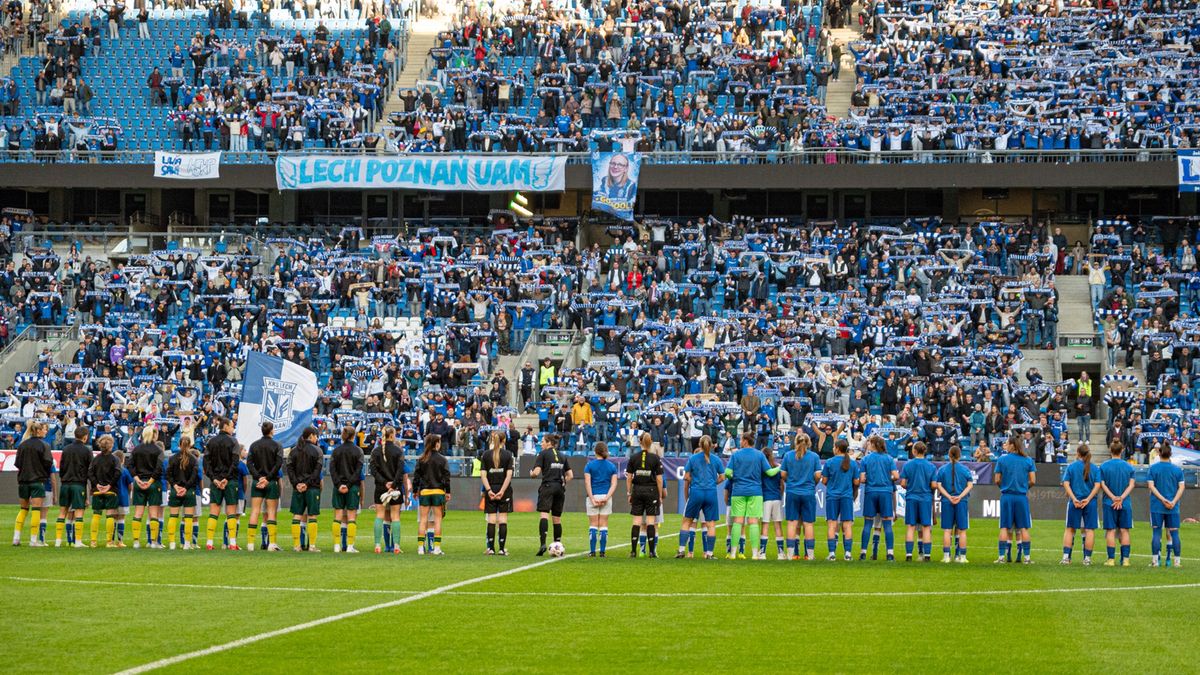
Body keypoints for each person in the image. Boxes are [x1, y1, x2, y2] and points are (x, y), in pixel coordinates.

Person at [724, 431, 782, 560]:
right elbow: (770, 472)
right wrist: (780, 467)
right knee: (753, 522)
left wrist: (734, 477)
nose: (740, 442)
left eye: (741, 439)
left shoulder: (736, 454)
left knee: (737, 521)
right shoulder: (759, 455)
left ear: (745, 441)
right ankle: (755, 554)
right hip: (755, 492)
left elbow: (727, 472)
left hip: (738, 491)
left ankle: (733, 553)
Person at [679, 435, 724, 559]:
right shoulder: (716, 459)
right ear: (712, 445)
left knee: (687, 521)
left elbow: (686, 476)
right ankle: (709, 553)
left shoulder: (693, 458)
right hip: (711, 493)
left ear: (699, 444)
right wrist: (712, 483)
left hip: (696, 492)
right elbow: (722, 477)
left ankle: (681, 551)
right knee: (710, 524)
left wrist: (696, 481)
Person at [994, 437, 1036, 564]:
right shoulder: (1028, 460)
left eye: (1007, 444)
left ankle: (1001, 557)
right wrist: (1023, 488)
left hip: (1006, 496)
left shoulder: (1002, 460)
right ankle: (1027, 558)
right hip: (1021, 497)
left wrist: (1004, 487)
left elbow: (997, 479)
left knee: (1004, 527)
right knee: (1024, 528)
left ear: (1012, 445)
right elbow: (1033, 480)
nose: (1005, 446)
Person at [370, 426, 410, 554]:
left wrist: (384, 483)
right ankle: (396, 546)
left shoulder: (375, 451)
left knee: (380, 515)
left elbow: (373, 471)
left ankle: (377, 545)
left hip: (380, 488)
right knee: (395, 516)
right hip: (395, 488)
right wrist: (393, 484)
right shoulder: (398, 451)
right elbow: (400, 471)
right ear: (392, 435)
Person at [781, 433, 821, 560]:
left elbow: (783, 474)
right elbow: (818, 475)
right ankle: (810, 555)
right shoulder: (814, 457)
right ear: (809, 443)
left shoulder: (788, 455)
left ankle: (790, 554)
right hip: (808, 492)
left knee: (792, 523)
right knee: (808, 524)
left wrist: (790, 482)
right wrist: (812, 484)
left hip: (792, 492)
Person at [530, 433, 572, 556]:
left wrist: (531, 473)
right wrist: (563, 482)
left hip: (547, 486)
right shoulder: (562, 455)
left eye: (543, 441)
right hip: (560, 488)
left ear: (549, 443)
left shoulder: (543, 454)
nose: (541, 443)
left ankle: (543, 544)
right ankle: (557, 544)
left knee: (544, 514)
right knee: (557, 518)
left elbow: (536, 472)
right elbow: (570, 475)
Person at [1061, 443, 1102, 565]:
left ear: (1078, 453)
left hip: (1075, 502)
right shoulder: (1095, 468)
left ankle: (1066, 558)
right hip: (1090, 503)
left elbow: (1066, 483)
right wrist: (1088, 499)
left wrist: (1074, 498)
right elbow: (1097, 485)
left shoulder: (1072, 467)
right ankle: (1087, 559)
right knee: (1089, 530)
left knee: (1070, 529)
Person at [859, 435, 899, 561]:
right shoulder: (889, 458)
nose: (868, 445)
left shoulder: (865, 459)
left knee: (868, 523)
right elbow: (896, 476)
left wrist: (871, 479)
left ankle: (863, 553)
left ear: (874, 444)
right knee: (887, 524)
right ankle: (890, 554)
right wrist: (887, 478)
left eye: (870, 443)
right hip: (885, 492)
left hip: (871, 492)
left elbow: (862, 479)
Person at [203, 416, 241, 550]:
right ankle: (232, 543)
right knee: (231, 512)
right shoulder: (234, 441)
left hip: (215, 481)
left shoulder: (211, 442)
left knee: (214, 511)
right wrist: (226, 478)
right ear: (225, 426)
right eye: (232, 426)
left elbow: (206, 463)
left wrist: (214, 479)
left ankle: (209, 542)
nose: (233, 428)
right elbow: (235, 463)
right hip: (230, 481)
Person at [13, 421, 52, 547]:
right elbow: (48, 463)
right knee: (36, 510)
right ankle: (33, 540)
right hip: (37, 481)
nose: (45, 432)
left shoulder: (22, 445)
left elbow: (17, 463)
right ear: (38, 431)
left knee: (23, 509)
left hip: (23, 480)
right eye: (43, 430)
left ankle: (16, 538)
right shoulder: (44, 445)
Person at [246, 422, 284, 552]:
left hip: (257, 482)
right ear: (271, 431)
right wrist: (267, 478)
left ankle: (250, 544)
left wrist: (258, 477)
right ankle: (272, 544)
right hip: (271, 482)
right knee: (271, 512)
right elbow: (278, 464)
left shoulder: (254, 445)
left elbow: (249, 463)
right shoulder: (277, 445)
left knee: (255, 511)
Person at [626, 432, 665, 558]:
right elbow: (659, 479)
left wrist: (629, 492)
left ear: (640, 442)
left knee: (637, 521)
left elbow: (629, 477)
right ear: (651, 442)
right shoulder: (655, 458)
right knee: (650, 521)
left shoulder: (633, 457)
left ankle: (633, 551)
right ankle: (652, 552)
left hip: (637, 490)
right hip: (651, 491)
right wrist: (659, 495)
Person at [934, 444, 973, 563]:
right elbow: (970, 485)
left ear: (949, 455)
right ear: (960, 456)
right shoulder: (965, 469)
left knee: (947, 530)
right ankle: (962, 557)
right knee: (962, 530)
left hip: (947, 501)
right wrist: (960, 496)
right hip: (962, 501)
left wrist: (949, 496)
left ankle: (946, 556)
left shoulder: (942, 469)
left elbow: (938, 485)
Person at [1147, 446, 1186, 567]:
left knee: (1156, 532)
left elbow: (1151, 486)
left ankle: (1155, 561)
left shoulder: (1153, 468)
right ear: (1171, 454)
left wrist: (1162, 500)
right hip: (1173, 507)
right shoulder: (1177, 470)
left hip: (1157, 506)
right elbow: (1181, 487)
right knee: (1174, 533)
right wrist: (1173, 501)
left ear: (1159, 453)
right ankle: (1176, 562)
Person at [287, 426, 323, 552]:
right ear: (311, 435)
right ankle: (312, 545)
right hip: (312, 488)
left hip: (298, 488)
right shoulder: (318, 451)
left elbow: (289, 470)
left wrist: (297, 484)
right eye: (316, 436)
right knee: (312, 516)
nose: (316, 438)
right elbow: (316, 472)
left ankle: (296, 545)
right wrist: (307, 484)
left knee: (297, 515)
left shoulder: (293, 451)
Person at [822, 438, 859, 561]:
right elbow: (856, 481)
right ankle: (847, 553)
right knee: (847, 525)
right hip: (846, 496)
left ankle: (832, 553)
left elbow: (824, 481)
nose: (833, 448)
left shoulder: (829, 462)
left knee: (832, 524)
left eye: (834, 447)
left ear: (837, 449)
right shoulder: (852, 463)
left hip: (832, 496)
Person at [413, 434, 451, 555]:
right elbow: (446, 477)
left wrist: (415, 490)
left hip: (424, 492)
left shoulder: (421, 459)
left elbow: (416, 477)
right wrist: (448, 491)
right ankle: (437, 548)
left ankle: (420, 548)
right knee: (437, 520)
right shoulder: (442, 459)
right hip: (438, 491)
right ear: (437, 444)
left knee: (423, 520)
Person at [1099, 440, 1135, 566]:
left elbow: (1102, 484)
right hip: (1125, 503)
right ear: (1122, 450)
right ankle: (1125, 560)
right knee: (1125, 530)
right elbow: (1131, 484)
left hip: (1109, 502)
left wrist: (1113, 497)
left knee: (1110, 531)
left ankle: (1111, 559)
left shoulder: (1104, 466)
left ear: (1110, 450)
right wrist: (1121, 498)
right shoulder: (1129, 466)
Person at [899, 440, 936, 562]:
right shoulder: (931, 466)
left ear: (914, 451)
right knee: (926, 527)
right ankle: (927, 555)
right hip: (925, 498)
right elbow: (934, 485)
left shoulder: (907, 465)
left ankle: (909, 554)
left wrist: (911, 487)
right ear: (925, 451)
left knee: (911, 526)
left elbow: (902, 483)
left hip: (912, 497)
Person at [330, 426, 364, 553]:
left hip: (338, 487)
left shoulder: (336, 451)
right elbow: (358, 471)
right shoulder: (358, 451)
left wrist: (339, 485)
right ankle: (350, 546)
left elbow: (332, 470)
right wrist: (348, 485)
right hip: (353, 487)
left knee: (337, 516)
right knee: (351, 517)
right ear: (353, 436)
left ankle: (336, 545)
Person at [56, 426, 92, 548]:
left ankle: (58, 541)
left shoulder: (66, 449)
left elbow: (61, 467)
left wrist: (64, 478)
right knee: (79, 512)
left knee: (62, 512)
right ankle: (78, 541)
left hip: (65, 483)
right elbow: (90, 470)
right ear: (85, 437)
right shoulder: (87, 450)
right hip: (78, 484)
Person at [129, 426, 165, 549]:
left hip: (139, 483)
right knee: (154, 513)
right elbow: (159, 468)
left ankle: (136, 542)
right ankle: (153, 542)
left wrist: (137, 479)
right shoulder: (158, 450)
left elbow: (130, 465)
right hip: (154, 484)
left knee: (138, 513)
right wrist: (150, 481)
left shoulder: (136, 449)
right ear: (154, 435)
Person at [481, 431, 515, 556]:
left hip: (491, 489)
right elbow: (509, 475)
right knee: (503, 519)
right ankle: (501, 549)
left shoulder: (486, 454)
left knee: (491, 519)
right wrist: (502, 491)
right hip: (504, 490)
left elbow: (483, 475)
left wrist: (489, 490)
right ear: (504, 440)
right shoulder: (508, 455)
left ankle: (490, 548)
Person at [165, 436, 201, 550]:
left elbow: (168, 475)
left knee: (173, 517)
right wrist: (185, 488)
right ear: (190, 445)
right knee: (189, 518)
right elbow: (194, 477)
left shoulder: (172, 458)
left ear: (179, 445)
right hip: (189, 491)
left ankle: (172, 543)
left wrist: (175, 486)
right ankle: (187, 543)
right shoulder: (194, 459)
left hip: (175, 491)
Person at [584, 441, 618, 557]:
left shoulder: (589, 465)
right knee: (604, 524)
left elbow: (587, 483)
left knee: (593, 524)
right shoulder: (611, 466)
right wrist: (607, 498)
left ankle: (592, 551)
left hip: (593, 496)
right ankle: (602, 552)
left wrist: (592, 498)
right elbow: (614, 484)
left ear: (595, 452)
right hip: (606, 496)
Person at [88, 435, 121, 547]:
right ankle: (109, 542)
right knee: (110, 515)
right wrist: (109, 485)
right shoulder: (115, 459)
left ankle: (93, 541)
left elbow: (90, 473)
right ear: (111, 445)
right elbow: (117, 473)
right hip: (111, 491)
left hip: (97, 491)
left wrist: (97, 484)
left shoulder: (95, 459)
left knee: (96, 515)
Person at [760, 446, 786, 559]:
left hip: (765, 498)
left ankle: (762, 553)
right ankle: (780, 553)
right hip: (776, 498)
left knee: (765, 525)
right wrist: (780, 495)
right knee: (777, 525)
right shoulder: (777, 468)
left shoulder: (761, 469)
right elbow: (782, 485)